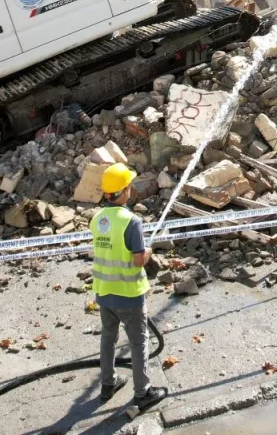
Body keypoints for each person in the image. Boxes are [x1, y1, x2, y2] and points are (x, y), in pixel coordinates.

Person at [91, 163, 167, 408]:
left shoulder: (97, 219)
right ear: (125, 191)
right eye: (129, 186)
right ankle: (143, 393)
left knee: (108, 338)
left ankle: (108, 383)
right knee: (138, 342)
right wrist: (148, 252)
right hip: (128, 294)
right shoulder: (131, 222)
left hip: (104, 292)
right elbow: (137, 261)